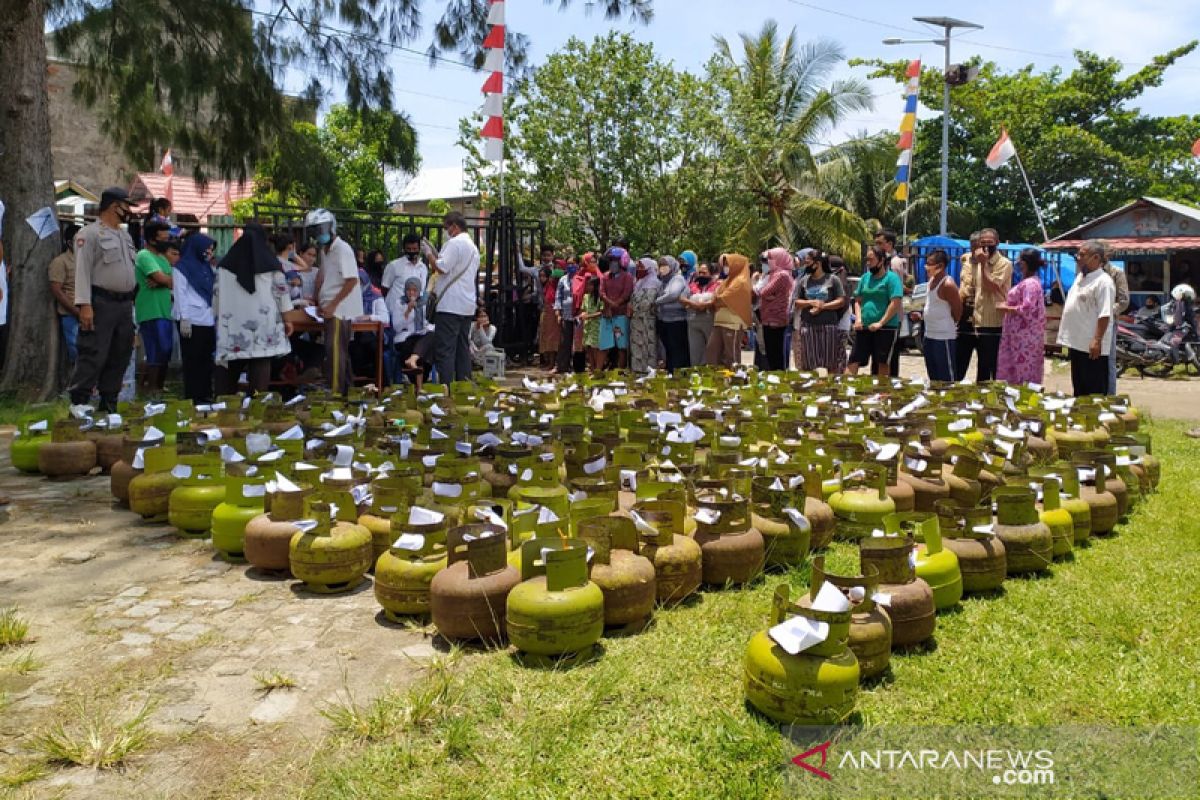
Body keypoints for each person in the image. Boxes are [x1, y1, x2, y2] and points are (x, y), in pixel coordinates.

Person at [68, 187, 138, 413]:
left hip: (125, 304)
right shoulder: (89, 234)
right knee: (93, 352)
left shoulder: (125, 235)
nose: (128, 211)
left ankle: (109, 403)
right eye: (126, 206)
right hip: (101, 302)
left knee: (120, 353)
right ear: (113, 205)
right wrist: (84, 304)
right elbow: (82, 270)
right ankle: (79, 403)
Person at [214, 223, 293, 394]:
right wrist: (288, 320)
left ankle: (225, 404)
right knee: (261, 362)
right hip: (263, 327)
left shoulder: (224, 267)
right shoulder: (272, 265)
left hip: (232, 326)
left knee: (230, 364)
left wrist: (218, 320)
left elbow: (216, 297)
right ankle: (257, 404)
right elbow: (282, 295)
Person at [307, 208, 362, 395]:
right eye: (315, 231)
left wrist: (332, 305)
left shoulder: (342, 249)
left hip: (339, 310)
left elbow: (352, 280)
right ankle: (349, 394)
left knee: (335, 355)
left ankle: (337, 395)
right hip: (329, 309)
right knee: (339, 355)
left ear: (331, 228)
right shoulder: (325, 251)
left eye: (321, 229)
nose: (319, 235)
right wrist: (317, 299)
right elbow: (324, 277)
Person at [1057, 241, 1115, 397]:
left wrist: (1097, 340)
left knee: (1094, 393)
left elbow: (1105, 314)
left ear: (1096, 257)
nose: (1078, 258)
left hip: (1091, 347)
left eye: (1082, 255)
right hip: (1077, 344)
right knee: (1079, 390)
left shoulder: (1104, 282)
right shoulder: (1081, 277)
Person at [430, 211, 481, 384]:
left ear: (454, 226)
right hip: (466, 305)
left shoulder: (454, 243)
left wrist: (429, 254)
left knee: (446, 350)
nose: (446, 231)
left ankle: (446, 388)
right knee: (462, 349)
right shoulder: (473, 247)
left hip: (450, 304)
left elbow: (442, 267)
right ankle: (463, 387)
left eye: (446, 227)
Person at [961, 228, 1013, 382]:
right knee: (982, 368)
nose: (986, 247)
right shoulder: (977, 264)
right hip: (978, 321)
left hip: (994, 323)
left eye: (989, 243)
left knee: (994, 367)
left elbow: (992, 286)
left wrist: (983, 264)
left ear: (997, 243)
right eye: (982, 243)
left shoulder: (1004, 263)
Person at [173, 233, 217, 403]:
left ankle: (205, 393)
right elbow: (180, 294)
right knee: (193, 360)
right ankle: (193, 396)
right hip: (190, 319)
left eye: (211, 249)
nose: (209, 252)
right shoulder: (181, 267)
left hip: (206, 319)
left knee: (206, 359)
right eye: (207, 248)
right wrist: (184, 318)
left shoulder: (206, 267)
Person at [133, 221, 175, 397]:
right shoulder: (144, 255)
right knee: (155, 350)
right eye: (162, 238)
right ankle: (152, 388)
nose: (166, 241)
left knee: (166, 350)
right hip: (150, 309)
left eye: (168, 237)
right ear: (151, 239)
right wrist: (164, 281)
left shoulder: (162, 257)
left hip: (165, 309)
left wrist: (163, 282)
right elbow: (163, 278)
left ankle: (158, 386)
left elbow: (174, 280)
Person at [848, 245, 904, 377]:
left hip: (886, 328)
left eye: (871, 260)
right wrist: (859, 318)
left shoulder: (892, 279)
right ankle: (846, 390)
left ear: (881, 260)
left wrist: (881, 322)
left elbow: (895, 303)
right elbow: (858, 300)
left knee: (882, 362)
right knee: (853, 359)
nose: (868, 263)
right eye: (867, 260)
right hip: (864, 326)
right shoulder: (865, 278)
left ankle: (881, 393)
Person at [793, 252, 847, 374]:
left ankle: (832, 390)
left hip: (829, 327)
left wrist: (823, 306)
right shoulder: (803, 281)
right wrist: (811, 302)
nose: (805, 266)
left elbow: (841, 301)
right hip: (808, 326)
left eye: (808, 263)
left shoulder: (833, 280)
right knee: (808, 363)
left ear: (818, 264)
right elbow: (796, 301)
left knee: (831, 363)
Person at [920, 250, 962, 382]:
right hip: (929, 335)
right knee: (933, 376)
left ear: (940, 266)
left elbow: (957, 311)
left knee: (946, 378)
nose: (926, 267)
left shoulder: (947, 284)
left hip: (943, 337)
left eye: (929, 264)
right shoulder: (931, 281)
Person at [705, 254, 752, 367]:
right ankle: (718, 380)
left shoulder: (740, 282)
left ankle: (736, 380)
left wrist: (717, 299)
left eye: (728, 264)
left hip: (733, 324)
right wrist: (717, 298)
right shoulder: (727, 281)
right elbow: (715, 297)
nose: (725, 267)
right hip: (719, 322)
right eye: (725, 265)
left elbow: (722, 299)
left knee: (731, 356)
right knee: (712, 352)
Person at [756, 248, 794, 371]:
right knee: (771, 353)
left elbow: (763, 292)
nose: (769, 262)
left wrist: (768, 295)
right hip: (768, 318)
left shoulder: (781, 275)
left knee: (775, 355)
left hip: (775, 320)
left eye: (771, 259)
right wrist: (768, 296)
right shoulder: (773, 274)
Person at [48, 224, 81, 364]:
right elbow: (57, 290)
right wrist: (76, 311)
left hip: (90, 311)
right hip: (71, 314)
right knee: (76, 348)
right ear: (69, 243)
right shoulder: (60, 262)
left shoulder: (88, 260)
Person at [350, 268, 388, 384]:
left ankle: (380, 383)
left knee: (370, 345)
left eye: (360, 283)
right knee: (354, 347)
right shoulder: (348, 297)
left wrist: (369, 317)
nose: (358, 286)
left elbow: (385, 318)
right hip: (352, 335)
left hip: (373, 335)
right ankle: (359, 384)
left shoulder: (375, 296)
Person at [655, 256, 691, 373]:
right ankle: (671, 374)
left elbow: (673, 294)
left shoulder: (677, 279)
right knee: (669, 351)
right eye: (660, 265)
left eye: (665, 265)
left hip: (676, 321)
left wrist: (656, 302)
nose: (662, 268)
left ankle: (679, 375)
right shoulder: (663, 281)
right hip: (664, 321)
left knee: (678, 351)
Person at [599, 247, 633, 369]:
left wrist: (616, 303)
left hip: (621, 316)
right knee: (604, 344)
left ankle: (620, 371)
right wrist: (609, 304)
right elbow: (601, 293)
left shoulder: (627, 277)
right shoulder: (605, 276)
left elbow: (626, 294)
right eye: (611, 260)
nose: (612, 262)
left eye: (615, 260)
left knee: (621, 346)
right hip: (607, 315)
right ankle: (598, 370)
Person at [679, 261, 718, 367]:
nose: (701, 275)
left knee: (711, 351)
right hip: (693, 322)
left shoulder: (717, 285)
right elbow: (681, 298)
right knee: (695, 350)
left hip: (709, 321)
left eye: (704, 273)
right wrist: (694, 304)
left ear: (710, 273)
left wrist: (702, 305)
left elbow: (716, 300)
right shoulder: (692, 285)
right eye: (699, 272)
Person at [955, 232, 982, 380]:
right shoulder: (965, 259)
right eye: (974, 247)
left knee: (984, 362)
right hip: (965, 312)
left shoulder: (990, 264)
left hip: (982, 313)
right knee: (960, 358)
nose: (977, 251)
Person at [627, 257, 660, 373]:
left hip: (647, 321)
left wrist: (634, 308)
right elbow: (633, 299)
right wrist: (630, 307)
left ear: (649, 268)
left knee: (648, 347)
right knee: (637, 348)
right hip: (636, 321)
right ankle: (637, 373)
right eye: (638, 267)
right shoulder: (638, 282)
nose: (639, 269)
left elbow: (648, 302)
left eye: (641, 267)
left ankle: (649, 373)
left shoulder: (654, 282)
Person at [1103, 257, 1130, 395]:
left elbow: (1124, 301)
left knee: (1108, 359)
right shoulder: (1086, 272)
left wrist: (1106, 310)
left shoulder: (1116, 273)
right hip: (1088, 323)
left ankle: (1109, 396)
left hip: (1108, 322)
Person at [554, 258, 581, 374]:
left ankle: (577, 367)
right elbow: (558, 296)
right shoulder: (562, 279)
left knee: (578, 342)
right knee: (565, 341)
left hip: (578, 314)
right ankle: (561, 366)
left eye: (573, 263)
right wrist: (558, 313)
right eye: (569, 264)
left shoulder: (581, 278)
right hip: (566, 314)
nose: (571, 266)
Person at [537, 265, 561, 371]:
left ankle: (552, 363)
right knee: (545, 338)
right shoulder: (545, 286)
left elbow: (559, 272)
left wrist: (554, 268)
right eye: (540, 276)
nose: (542, 278)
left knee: (552, 339)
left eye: (544, 276)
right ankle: (548, 362)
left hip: (553, 315)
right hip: (546, 314)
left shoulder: (552, 284)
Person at [580, 275, 604, 372]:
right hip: (587, 326)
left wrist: (589, 316)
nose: (588, 287)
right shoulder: (586, 297)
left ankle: (597, 369)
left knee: (595, 348)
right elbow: (583, 309)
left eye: (590, 285)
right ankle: (592, 368)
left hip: (596, 325)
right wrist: (583, 314)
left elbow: (601, 311)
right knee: (588, 348)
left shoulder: (600, 298)